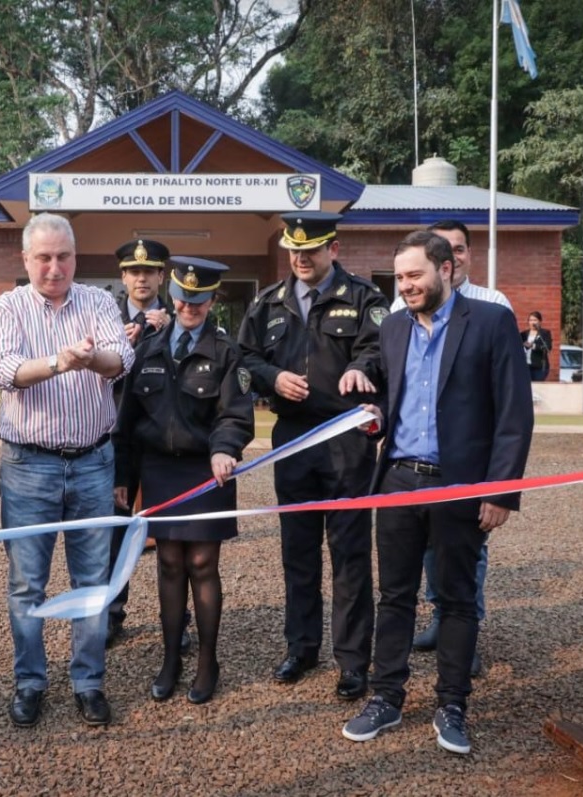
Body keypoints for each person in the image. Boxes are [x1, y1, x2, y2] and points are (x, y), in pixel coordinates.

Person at [342, 230, 533, 755]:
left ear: (446, 269)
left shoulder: (491, 323)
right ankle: (387, 697)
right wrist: (375, 419)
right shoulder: (395, 327)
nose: (405, 287)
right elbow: (392, 399)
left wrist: (500, 492)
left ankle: (452, 703)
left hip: (462, 485)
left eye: (415, 276)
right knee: (395, 595)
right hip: (400, 480)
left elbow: (514, 415)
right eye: (399, 277)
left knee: (457, 598)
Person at [0, 212, 134, 728]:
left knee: (93, 578)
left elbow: (122, 359)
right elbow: (4, 371)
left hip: (94, 460)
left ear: (76, 256)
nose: (54, 267)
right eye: (44, 257)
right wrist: (58, 362)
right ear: (25, 259)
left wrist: (91, 361)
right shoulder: (6, 306)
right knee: (28, 584)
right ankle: (30, 682)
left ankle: (88, 682)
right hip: (29, 466)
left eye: (63, 256)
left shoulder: (97, 301)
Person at [238, 211, 387, 700]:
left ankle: (352, 661)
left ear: (333, 250)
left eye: (312, 249)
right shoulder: (267, 303)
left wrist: (361, 369)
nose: (301, 258)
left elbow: (380, 350)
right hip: (295, 439)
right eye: (294, 250)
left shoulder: (364, 297)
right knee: (297, 552)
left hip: (346, 439)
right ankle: (301, 648)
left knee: (349, 554)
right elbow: (245, 357)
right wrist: (272, 378)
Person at [113, 256, 254, 704]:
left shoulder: (225, 351)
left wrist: (224, 449)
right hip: (159, 470)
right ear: (171, 296)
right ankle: (170, 658)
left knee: (201, 566)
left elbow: (235, 414)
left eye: (199, 300)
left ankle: (207, 661)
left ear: (212, 300)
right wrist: (124, 476)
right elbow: (128, 420)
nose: (189, 306)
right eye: (183, 298)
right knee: (168, 563)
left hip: (205, 470)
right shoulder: (147, 348)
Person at [401, 220, 511, 670]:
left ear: (463, 257)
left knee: (470, 553)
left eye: (459, 249)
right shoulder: (406, 305)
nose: (453, 258)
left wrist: (499, 484)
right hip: (418, 466)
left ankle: (465, 630)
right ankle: (441, 614)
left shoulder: (494, 307)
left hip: (468, 464)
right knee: (428, 547)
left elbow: (507, 401)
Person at [107, 237, 173, 647]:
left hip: (160, 438)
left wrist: (170, 336)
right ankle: (112, 615)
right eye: (134, 271)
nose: (141, 278)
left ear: (162, 276)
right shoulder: (103, 316)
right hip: (115, 438)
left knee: (169, 533)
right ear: (123, 276)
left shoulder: (180, 315)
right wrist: (121, 342)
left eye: (149, 271)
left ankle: (175, 619)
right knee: (113, 532)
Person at [521, 311, 553, 382]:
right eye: (530, 320)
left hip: (539, 367)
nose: (533, 322)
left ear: (540, 321)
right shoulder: (523, 334)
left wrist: (533, 346)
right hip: (526, 366)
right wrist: (524, 347)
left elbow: (548, 347)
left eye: (535, 320)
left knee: (537, 386)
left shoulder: (544, 333)